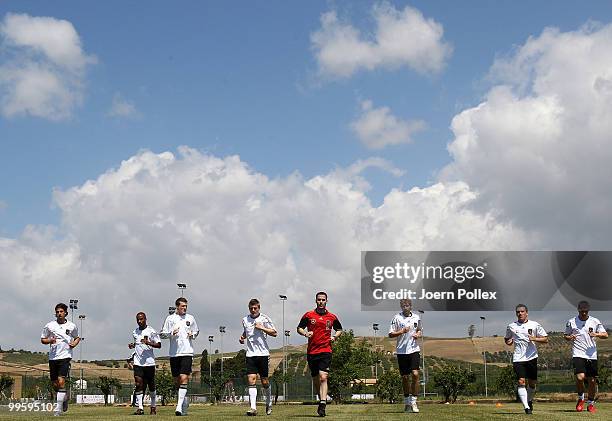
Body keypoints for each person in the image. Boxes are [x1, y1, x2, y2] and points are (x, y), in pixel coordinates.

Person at [297, 292, 342, 418]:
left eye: (323, 300)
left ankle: (323, 404)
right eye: (319, 300)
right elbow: (299, 328)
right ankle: (321, 398)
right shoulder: (309, 315)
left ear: (326, 301)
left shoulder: (332, 317)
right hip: (312, 351)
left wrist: (334, 337)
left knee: (323, 377)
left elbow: (339, 329)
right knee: (316, 378)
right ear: (315, 301)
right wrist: (305, 333)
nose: (321, 302)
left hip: (326, 350)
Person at [563, 300, 608, 413]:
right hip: (578, 353)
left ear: (588, 310)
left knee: (592, 380)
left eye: (585, 311)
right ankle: (581, 399)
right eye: (582, 311)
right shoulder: (571, 322)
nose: (584, 313)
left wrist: (596, 334)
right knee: (580, 377)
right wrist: (570, 337)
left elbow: (605, 335)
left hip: (591, 355)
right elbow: (566, 335)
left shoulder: (595, 321)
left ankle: (591, 403)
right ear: (578, 310)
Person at [504, 304, 548, 415]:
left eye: (522, 311)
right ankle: (526, 408)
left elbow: (545, 339)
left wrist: (535, 338)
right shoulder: (511, 326)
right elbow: (507, 339)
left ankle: (529, 400)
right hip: (518, 358)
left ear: (526, 313)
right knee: (521, 381)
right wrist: (509, 342)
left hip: (531, 357)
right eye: (518, 312)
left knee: (532, 384)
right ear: (516, 313)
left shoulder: (534, 325)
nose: (520, 313)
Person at [160, 297, 199, 416]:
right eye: (182, 306)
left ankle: (178, 407)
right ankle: (183, 402)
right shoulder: (170, 319)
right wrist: (171, 333)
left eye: (186, 306)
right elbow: (162, 334)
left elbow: (196, 331)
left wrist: (192, 334)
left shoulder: (190, 318)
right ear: (177, 307)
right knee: (177, 381)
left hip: (187, 352)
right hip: (174, 353)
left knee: (184, 378)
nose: (185, 308)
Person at [40, 303, 80, 417]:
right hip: (53, 357)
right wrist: (50, 340)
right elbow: (43, 339)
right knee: (55, 384)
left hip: (65, 356)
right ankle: (65, 398)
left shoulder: (72, 326)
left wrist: (74, 343)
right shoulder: (49, 325)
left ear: (66, 313)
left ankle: (58, 409)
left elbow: (77, 337)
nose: (59, 313)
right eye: (57, 312)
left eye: (61, 311)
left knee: (61, 381)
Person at [239, 298, 277, 416]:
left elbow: (275, 333)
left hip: (263, 354)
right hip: (250, 354)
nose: (253, 310)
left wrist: (262, 328)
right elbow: (247, 331)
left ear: (259, 308)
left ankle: (269, 403)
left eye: (255, 308)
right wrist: (242, 337)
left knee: (264, 381)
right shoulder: (245, 319)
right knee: (251, 380)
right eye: (251, 308)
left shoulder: (264, 319)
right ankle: (253, 408)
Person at [388, 299, 422, 413]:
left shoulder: (416, 317)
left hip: (414, 349)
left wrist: (418, 334)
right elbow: (391, 334)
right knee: (405, 377)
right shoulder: (396, 318)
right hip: (402, 351)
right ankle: (407, 403)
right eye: (403, 305)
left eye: (407, 305)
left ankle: (414, 402)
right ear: (401, 306)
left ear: (411, 306)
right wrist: (402, 331)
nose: (405, 307)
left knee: (415, 374)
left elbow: (419, 330)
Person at [129, 312, 161, 415]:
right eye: (138, 319)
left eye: (141, 319)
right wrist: (132, 345)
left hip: (149, 363)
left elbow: (159, 345)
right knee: (138, 383)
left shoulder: (151, 331)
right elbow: (137, 344)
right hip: (138, 362)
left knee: (151, 386)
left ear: (145, 319)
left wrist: (148, 343)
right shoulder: (135, 332)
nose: (139, 321)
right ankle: (140, 408)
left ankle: (153, 406)